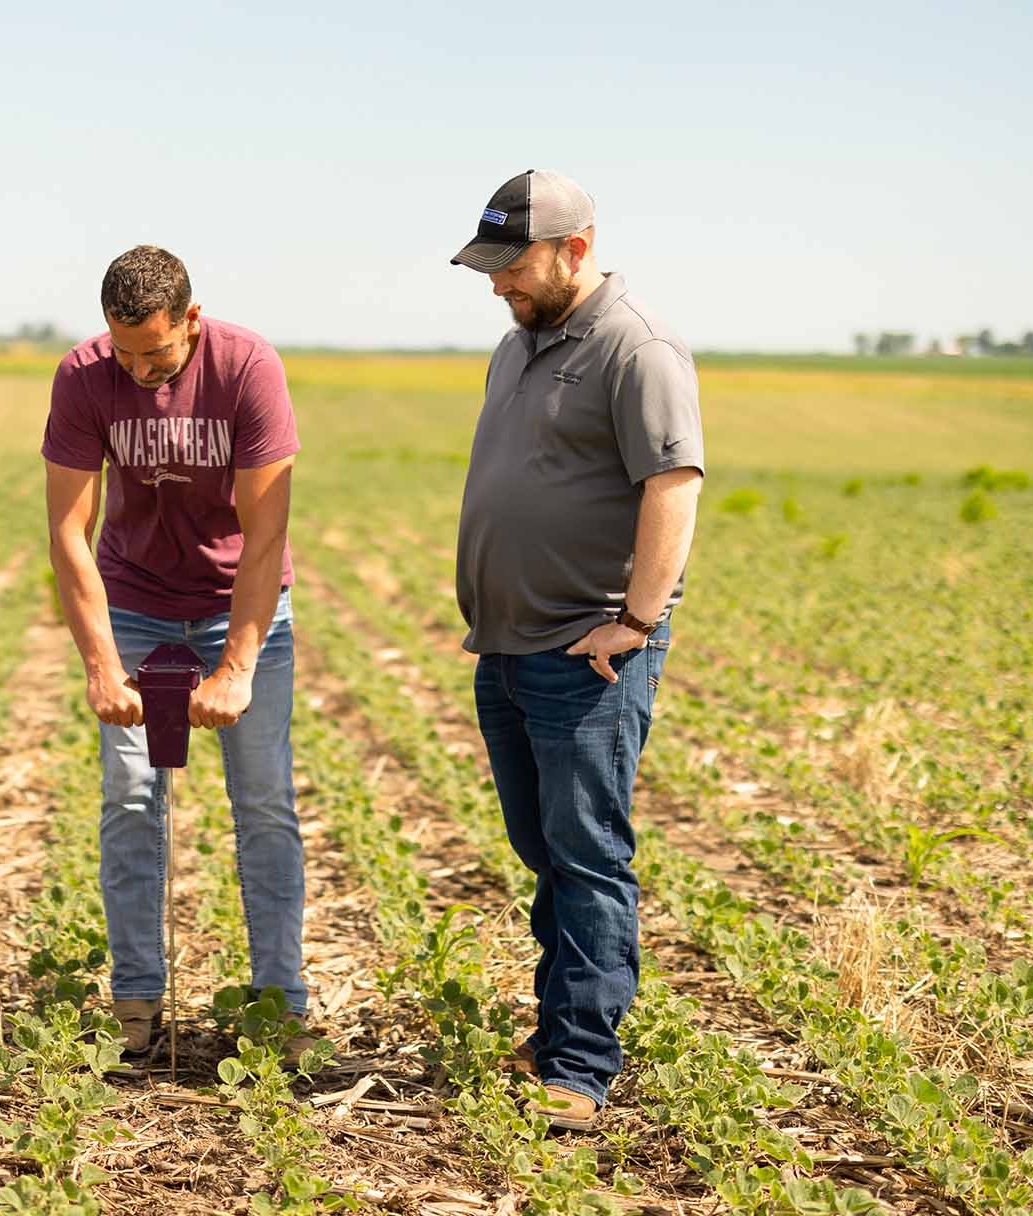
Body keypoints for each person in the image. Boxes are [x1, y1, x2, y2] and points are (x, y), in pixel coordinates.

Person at [449, 170, 705, 1131]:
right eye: (488, 268)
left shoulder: (637, 349)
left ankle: (582, 1065)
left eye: (511, 267)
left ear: (575, 250)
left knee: (587, 853)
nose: (497, 285)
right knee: (544, 848)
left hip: (588, 652)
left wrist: (635, 623)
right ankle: (562, 1022)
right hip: (509, 645)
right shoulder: (518, 346)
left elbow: (672, 484)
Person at [42, 245, 307, 1057]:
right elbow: (68, 532)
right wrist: (99, 663)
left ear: (191, 320)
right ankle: (138, 1007)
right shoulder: (85, 376)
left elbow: (266, 537)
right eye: (124, 351)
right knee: (131, 798)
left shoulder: (246, 367)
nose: (141, 368)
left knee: (261, 801)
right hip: (137, 609)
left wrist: (235, 666)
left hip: (239, 603)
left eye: (155, 351)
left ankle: (280, 1005)